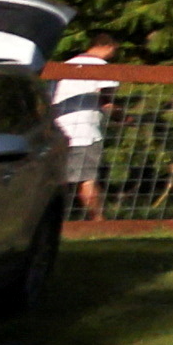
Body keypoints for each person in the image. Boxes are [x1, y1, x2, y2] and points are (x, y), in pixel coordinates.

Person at [47, 38, 122, 216]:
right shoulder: (102, 66)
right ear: (109, 46)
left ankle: (56, 221)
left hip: (59, 131)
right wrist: (123, 116)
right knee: (87, 180)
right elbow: (106, 102)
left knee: (58, 181)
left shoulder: (65, 65)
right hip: (85, 132)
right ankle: (97, 223)